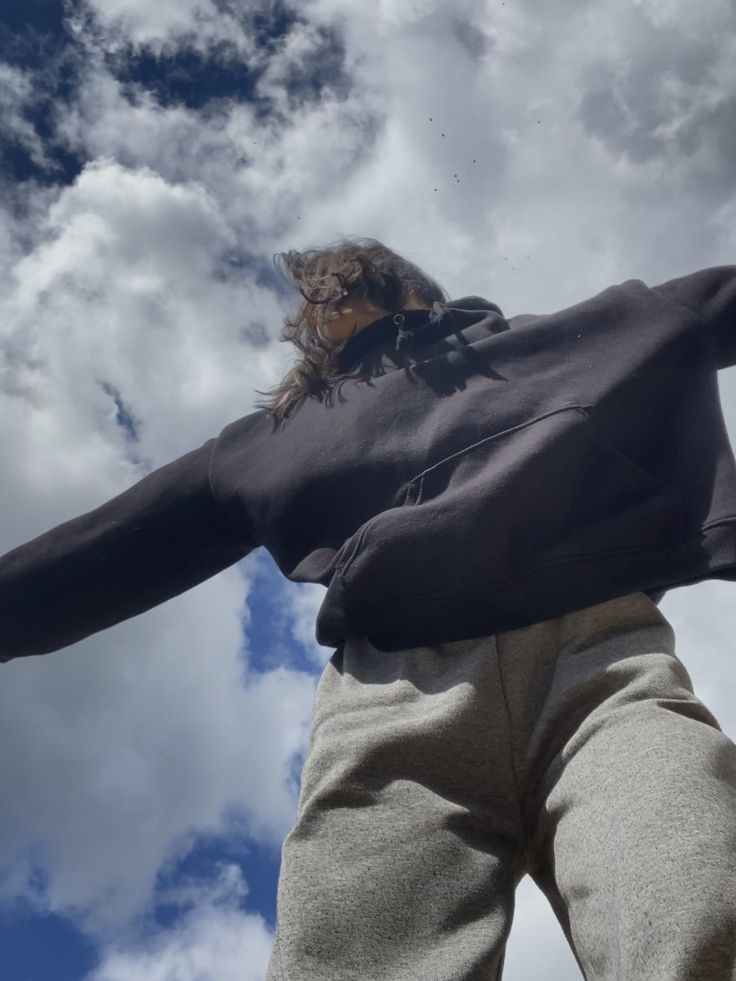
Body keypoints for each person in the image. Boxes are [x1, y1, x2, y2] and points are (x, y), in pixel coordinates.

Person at [1, 237, 735, 979]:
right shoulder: (272, 439)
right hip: (393, 697)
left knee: (695, 898)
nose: (320, 314)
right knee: (355, 960)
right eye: (315, 306)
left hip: (598, 659)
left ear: (394, 288)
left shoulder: (563, 337)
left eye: (333, 292)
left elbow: (707, 304)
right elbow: (109, 543)